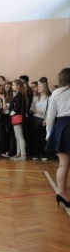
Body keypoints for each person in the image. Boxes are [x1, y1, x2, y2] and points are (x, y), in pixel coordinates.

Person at [46, 68, 70, 207]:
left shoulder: (56, 93)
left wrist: (49, 133)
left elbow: (50, 117)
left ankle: (61, 193)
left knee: (63, 164)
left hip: (62, 127)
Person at [30, 80, 51, 161]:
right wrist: (35, 111)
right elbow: (31, 109)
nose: (38, 88)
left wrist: (46, 119)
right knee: (36, 138)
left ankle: (43, 154)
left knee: (43, 137)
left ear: (45, 87)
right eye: (38, 87)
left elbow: (50, 110)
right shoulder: (35, 98)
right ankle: (36, 154)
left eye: (40, 87)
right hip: (36, 119)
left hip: (44, 119)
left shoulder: (49, 98)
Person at [9, 79, 28, 161]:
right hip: (17, 118)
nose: (12, 86)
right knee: (17, 137)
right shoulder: (19, 94)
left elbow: (17, 107)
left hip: (17, 118)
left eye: (13, 85)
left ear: (18, 86)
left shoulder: (19, 94)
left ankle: (23, 155)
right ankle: (18, 154)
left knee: (20, 137)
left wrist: (12, 113)